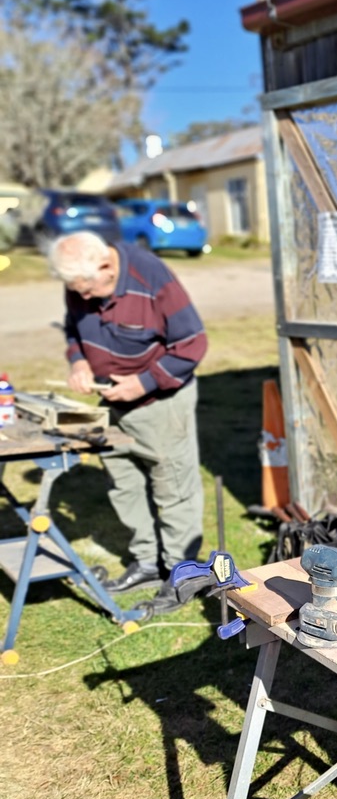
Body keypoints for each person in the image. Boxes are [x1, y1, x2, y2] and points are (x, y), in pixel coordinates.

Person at [48, 230, 207, 615]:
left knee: (173, 486)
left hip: (160, 401)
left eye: (87, 289)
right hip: (112, 400)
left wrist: (144, 382)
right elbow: (72, 328)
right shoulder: (81, 283)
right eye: (76, 290)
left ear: (105, 265)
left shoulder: (150, 278)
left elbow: (193, 343)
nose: (82, 297)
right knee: (125, 483)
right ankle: (147, 563)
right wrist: (79, 361)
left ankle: (181, 574)